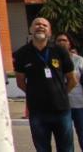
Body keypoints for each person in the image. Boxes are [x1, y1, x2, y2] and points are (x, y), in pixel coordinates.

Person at [14, 17, 77, 152]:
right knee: (42, 148)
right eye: (37, 24)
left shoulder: (60, 51)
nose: (40, 26)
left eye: (44, 25)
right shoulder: (22, 54)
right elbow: (20, 82)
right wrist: (34, 93)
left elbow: (72, 79)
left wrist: (61, 93)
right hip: (37, 111)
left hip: (61, 110)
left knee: (66, 148)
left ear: (50, 31)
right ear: (30, 29)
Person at [56, 32, 83, 152]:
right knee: (66, 140)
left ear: (70, 43)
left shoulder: (78, 60)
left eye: (64, 40)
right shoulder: (52, 60)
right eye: (59, 40)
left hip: (79, 103)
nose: (61, 43)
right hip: (62, 105)